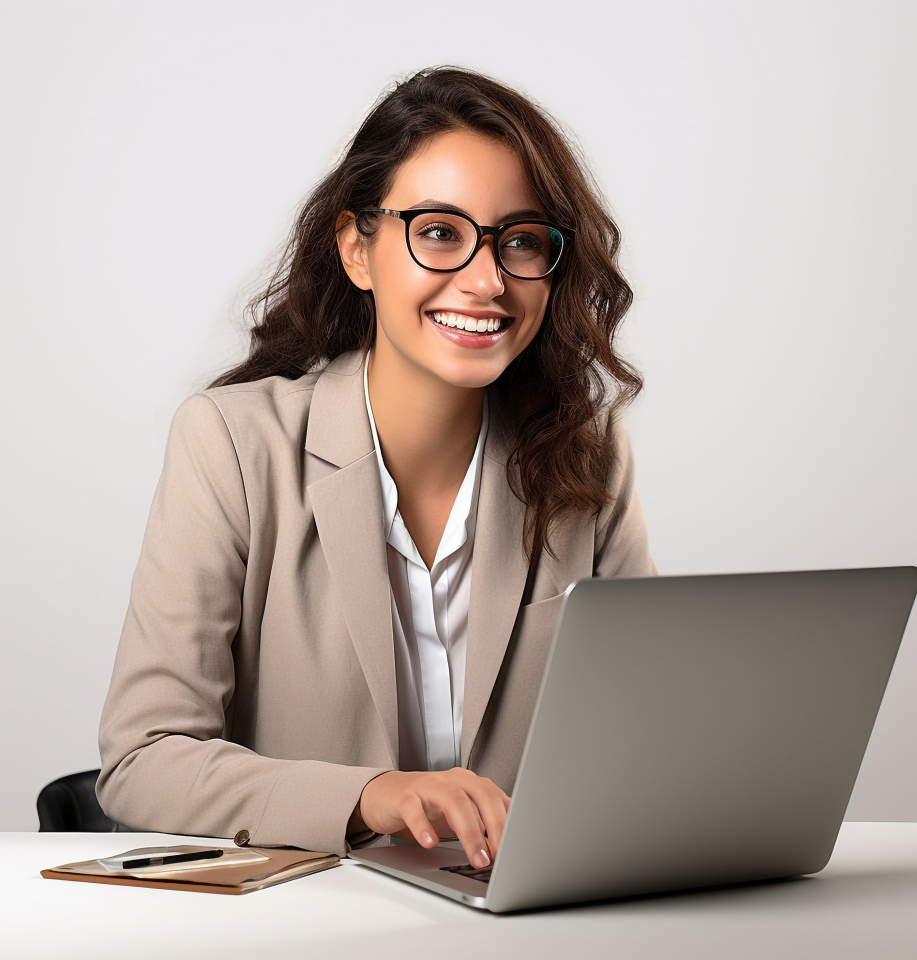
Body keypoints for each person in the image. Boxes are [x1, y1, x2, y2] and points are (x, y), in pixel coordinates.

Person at [97, 66, 655, 871]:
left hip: (521, 926)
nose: (489, 279)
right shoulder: (230, 443)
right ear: (358, 249)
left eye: (522, 240)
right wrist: (374, 795)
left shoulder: (587, 456)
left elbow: (641, 738)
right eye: (439, 232)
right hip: (308, 922)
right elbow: (143, 758)